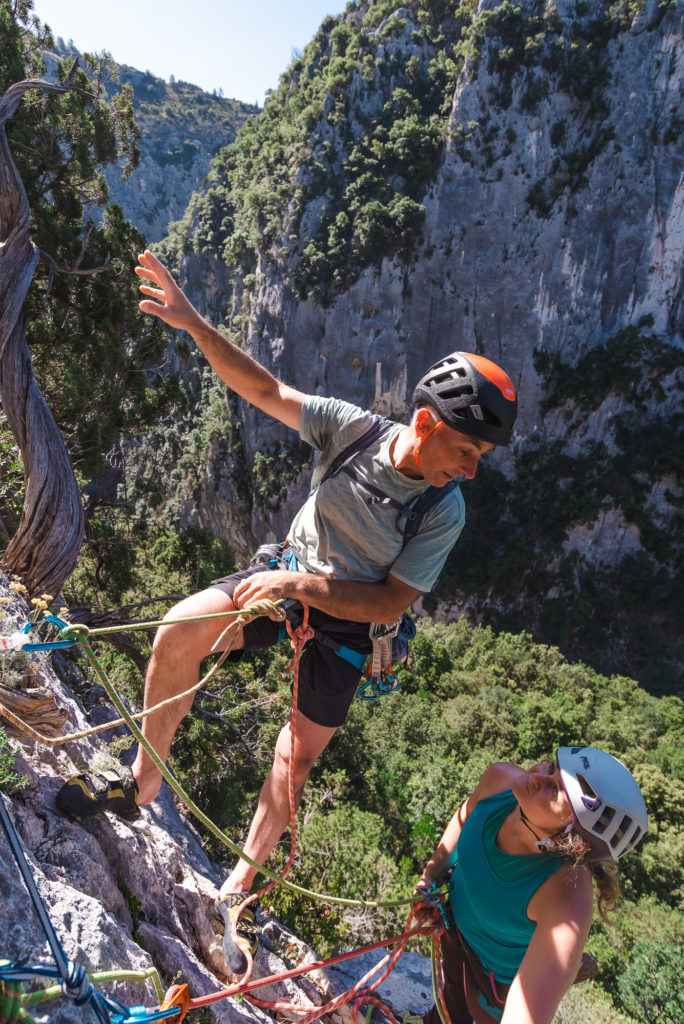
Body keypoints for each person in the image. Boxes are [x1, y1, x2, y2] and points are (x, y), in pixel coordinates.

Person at [56, 249, 518, 973]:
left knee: (293, 757)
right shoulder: (352, 431)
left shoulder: (443, 509)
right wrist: (191, 322)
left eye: (480, 456)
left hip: (348, 619)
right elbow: (262, 386)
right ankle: (139, 785)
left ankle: (236, 892)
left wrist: (301, 592)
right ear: (425, 423)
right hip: (289, 577)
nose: (471, 469)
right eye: (465, 450)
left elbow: (392, 598)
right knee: (179, 632)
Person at [413, 746, 648, 1024]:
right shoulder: (498, 781)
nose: (536, 776)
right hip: (455, 929)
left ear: (570, 840)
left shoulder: (566, 895)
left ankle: (566, 964)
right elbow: (465, 818)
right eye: (550, 768)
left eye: (555, 791)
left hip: (497, 978)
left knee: (465, 1009)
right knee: (451, 997)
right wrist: (429, 877)